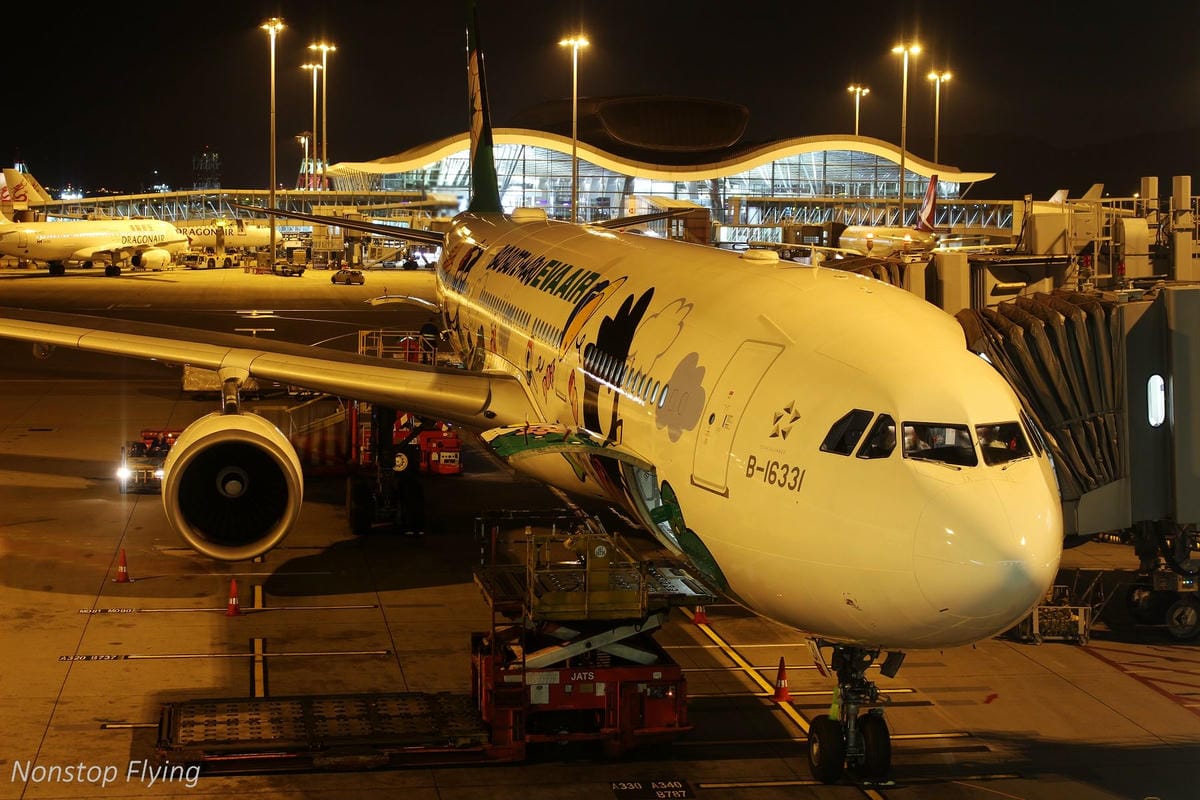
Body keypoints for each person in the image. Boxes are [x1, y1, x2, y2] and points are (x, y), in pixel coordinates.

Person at [394, 438, 425, 536]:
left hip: (409, 497)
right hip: (415, 497)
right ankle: (418, 528)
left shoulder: (404, 480)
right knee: (416, 510)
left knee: (409, 510)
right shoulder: (416, 480)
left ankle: (410, 528)